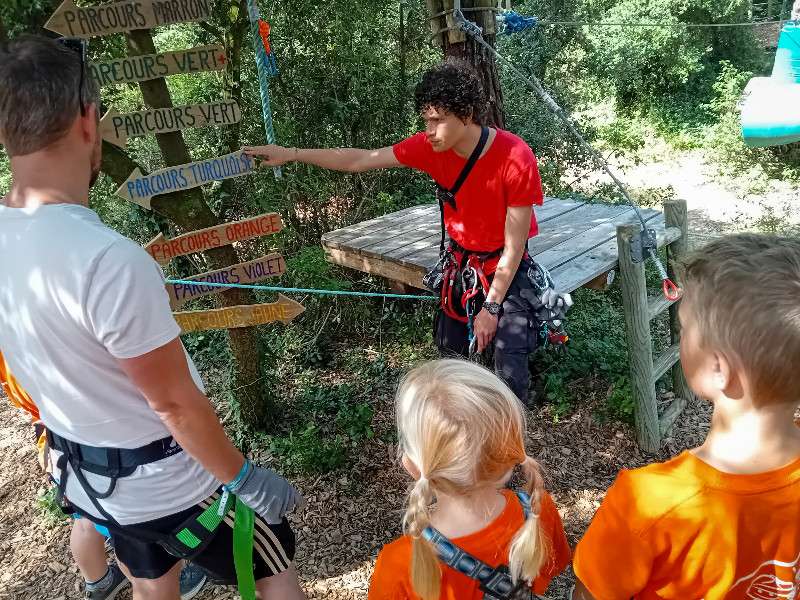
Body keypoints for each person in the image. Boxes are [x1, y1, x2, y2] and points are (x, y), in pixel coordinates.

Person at [0, 35, 305, 600]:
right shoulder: (108, 260)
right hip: (170, 486)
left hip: (89, 484)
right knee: (275, 564)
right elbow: (174, 405)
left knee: (152, 586)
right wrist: (245, 479)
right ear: (89, 119)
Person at [244, 61, 557, 403]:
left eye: (438, 120)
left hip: (505, 268)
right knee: (450, 356)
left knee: (509, 367)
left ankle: (508, 438)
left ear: (466, 114)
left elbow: (514, 248)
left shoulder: (514, 156)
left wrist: (492, 308)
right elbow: (359, 160)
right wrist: (291, 154)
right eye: (426, 120)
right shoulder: (429, 147)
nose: (430, 129)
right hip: (463, 266)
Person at [572, 234, 800, 600]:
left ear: (718, 367)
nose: (681, 336)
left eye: (685, 326)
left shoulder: (646, 502)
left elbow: (589, 594)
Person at [0, 349, 207, 600]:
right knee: (128, 537)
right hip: (90, 453)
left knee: (86, 520)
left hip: (55, 447)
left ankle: (99, 582)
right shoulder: (38, 334)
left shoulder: (10, 335)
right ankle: (152, 586)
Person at [368, 359, 571, 599]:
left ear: (411, 465)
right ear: (511, 453)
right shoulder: (538, 509)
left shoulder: (399, 568)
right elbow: (551, 569)